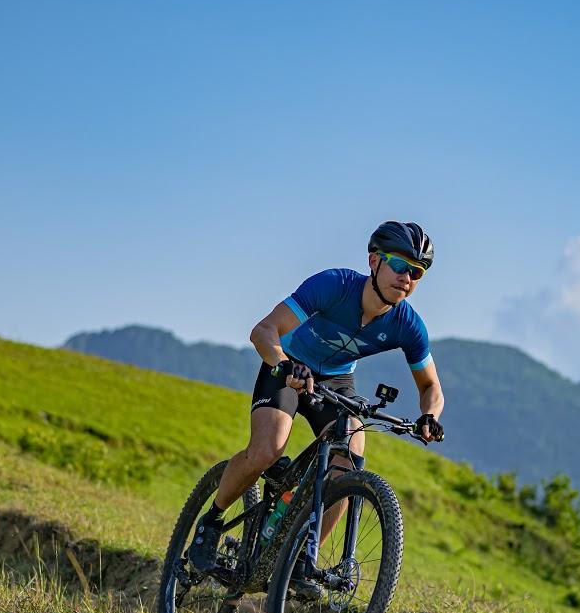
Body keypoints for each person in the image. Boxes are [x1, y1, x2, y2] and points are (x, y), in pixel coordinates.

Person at [184, 222, 446, 593]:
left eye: (416, 272)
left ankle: (298, 562)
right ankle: (211, 520)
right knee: (268, 448)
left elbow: (431, 385)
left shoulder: (407, 324)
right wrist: (283, 364)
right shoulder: (334, 285)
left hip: (336, 379)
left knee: (349, 460)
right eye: (400, 266)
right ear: (374, 261)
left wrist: (430, 416)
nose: (407, 278)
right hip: (288, 364)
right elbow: (263, 331)